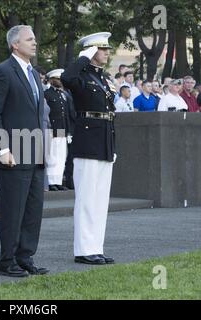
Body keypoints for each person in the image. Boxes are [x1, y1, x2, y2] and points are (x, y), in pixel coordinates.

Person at [0, 25, 49, 277]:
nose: (35, 42)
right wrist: (1, 149)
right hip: (12, 153)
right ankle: (7, 260)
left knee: (33, 210)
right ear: (15, 44)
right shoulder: (2, 72)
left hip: (35, 151)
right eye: (29, 39)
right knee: (13, 210)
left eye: (35, 38)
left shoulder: (33, 74)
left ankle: (25, 257)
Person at [61, 32, 116, 265]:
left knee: (100, 199)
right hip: (87, 142)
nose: (107, 52)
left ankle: (96, 246)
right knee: (86, 198)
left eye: (106, 49)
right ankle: (84, 249)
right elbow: (66, 77)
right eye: (102, 49)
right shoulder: (80, 76)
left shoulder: (102, 78)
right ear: (91, 51)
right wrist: (84, 57)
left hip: (104, 141)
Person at [44, 68, 71, 191]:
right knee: (52, 155)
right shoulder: (47, 94)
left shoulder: (62, 94)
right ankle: (50, 181)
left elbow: (65, 114)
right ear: (51, 80)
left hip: (61, 128)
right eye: (57, 79)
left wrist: (68, 131)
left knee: (61, 155)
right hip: (51, 128)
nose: (60, 81)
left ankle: (58, 180)